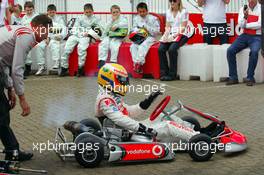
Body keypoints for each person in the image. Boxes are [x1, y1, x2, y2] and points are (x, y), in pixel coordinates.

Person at [95, 63, 201, 142]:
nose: (124, 83)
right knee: (167, 125)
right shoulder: (105, 101)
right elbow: (120, 119)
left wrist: (148, 101)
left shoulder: (112, 96)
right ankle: (199, 139)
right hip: (128, 135)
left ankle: (195, 132)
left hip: (130, 130)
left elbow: (129, 112)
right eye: (121, 79)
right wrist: (142, 128)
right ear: (107, 79)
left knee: (163, 116)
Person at [0, 14, 52, 161]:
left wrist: (10, 88)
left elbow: (4, 62)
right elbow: (17, 69)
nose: (47, 36)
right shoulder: (27, 35)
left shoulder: (22, 30)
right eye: (47, 31)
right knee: (1, 114)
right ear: (40, 28)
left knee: (2, 111)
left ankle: (12, 150)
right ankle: (12, 151)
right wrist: (22, 98)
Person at [60, 3, 103, 77]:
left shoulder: (97, 19)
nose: (88, 13)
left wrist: (90, 34)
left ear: (93, 11)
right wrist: (80, 33)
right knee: (67, 49)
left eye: (90, 12)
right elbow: (75, 28)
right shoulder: (79, 18)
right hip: (76, 35)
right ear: (84, 11)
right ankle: (64, 67)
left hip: (86, 36)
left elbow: (100, 29)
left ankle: (80, 68)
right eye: (86, 12)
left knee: (81, 49)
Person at [226, 0, 261, 86]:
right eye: (249, 0)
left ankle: (250, 78)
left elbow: (260, 24)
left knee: (254, 52)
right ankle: (233, 77)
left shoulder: (261, 8)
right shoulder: (243, 8)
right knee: (230, 50)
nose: (251, 1)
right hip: (245, 35)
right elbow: (240, 24)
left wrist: (246, 25)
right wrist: (245, 17)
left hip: (257, 36)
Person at [158, 0, 189, 81]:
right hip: (171, 35)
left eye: (174, 1)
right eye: (170, 1)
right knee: (160, 49)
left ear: (178, 1)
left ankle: (172, 74)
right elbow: (167, 26)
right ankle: (164, 73)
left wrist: (174, 36)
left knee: (172, 49)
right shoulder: (168, 11)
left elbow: (183, 28)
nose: (172, 3)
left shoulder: (184, 11)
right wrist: (165, 36)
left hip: (182, 35)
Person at [35, 4, 66, 75]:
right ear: (47, 12)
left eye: (53, 12)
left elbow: (64, 29)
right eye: (50, 12)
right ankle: (41, 66)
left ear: (55, 12)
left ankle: (56, 62)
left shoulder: (60, 19)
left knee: (54, 44)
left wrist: (61, 36)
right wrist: (45, 38)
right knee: (39, 46)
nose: (52, 14)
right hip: (46, 38)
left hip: (56, 37)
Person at [129, 2, 160, 74]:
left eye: (143, 11)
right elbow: (133, 29)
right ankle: (136, 64)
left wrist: (146, 28)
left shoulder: (153, 18)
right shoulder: (136, 19)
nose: (142, 13)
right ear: (137, 12)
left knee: (143, 45)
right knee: (133, 46)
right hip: (139, 36)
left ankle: (139, 63)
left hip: (150, 37)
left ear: (147, 11)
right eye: (140, 12)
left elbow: (157, 31)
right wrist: (137, 31)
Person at [21, 1, 38, 77]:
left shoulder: (37, 17)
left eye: (30, 10)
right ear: (25, 10)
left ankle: (28, 68)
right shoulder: (23, 18)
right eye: (27, 10)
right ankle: (27, 67)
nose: (29, 12)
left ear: (33, 9)